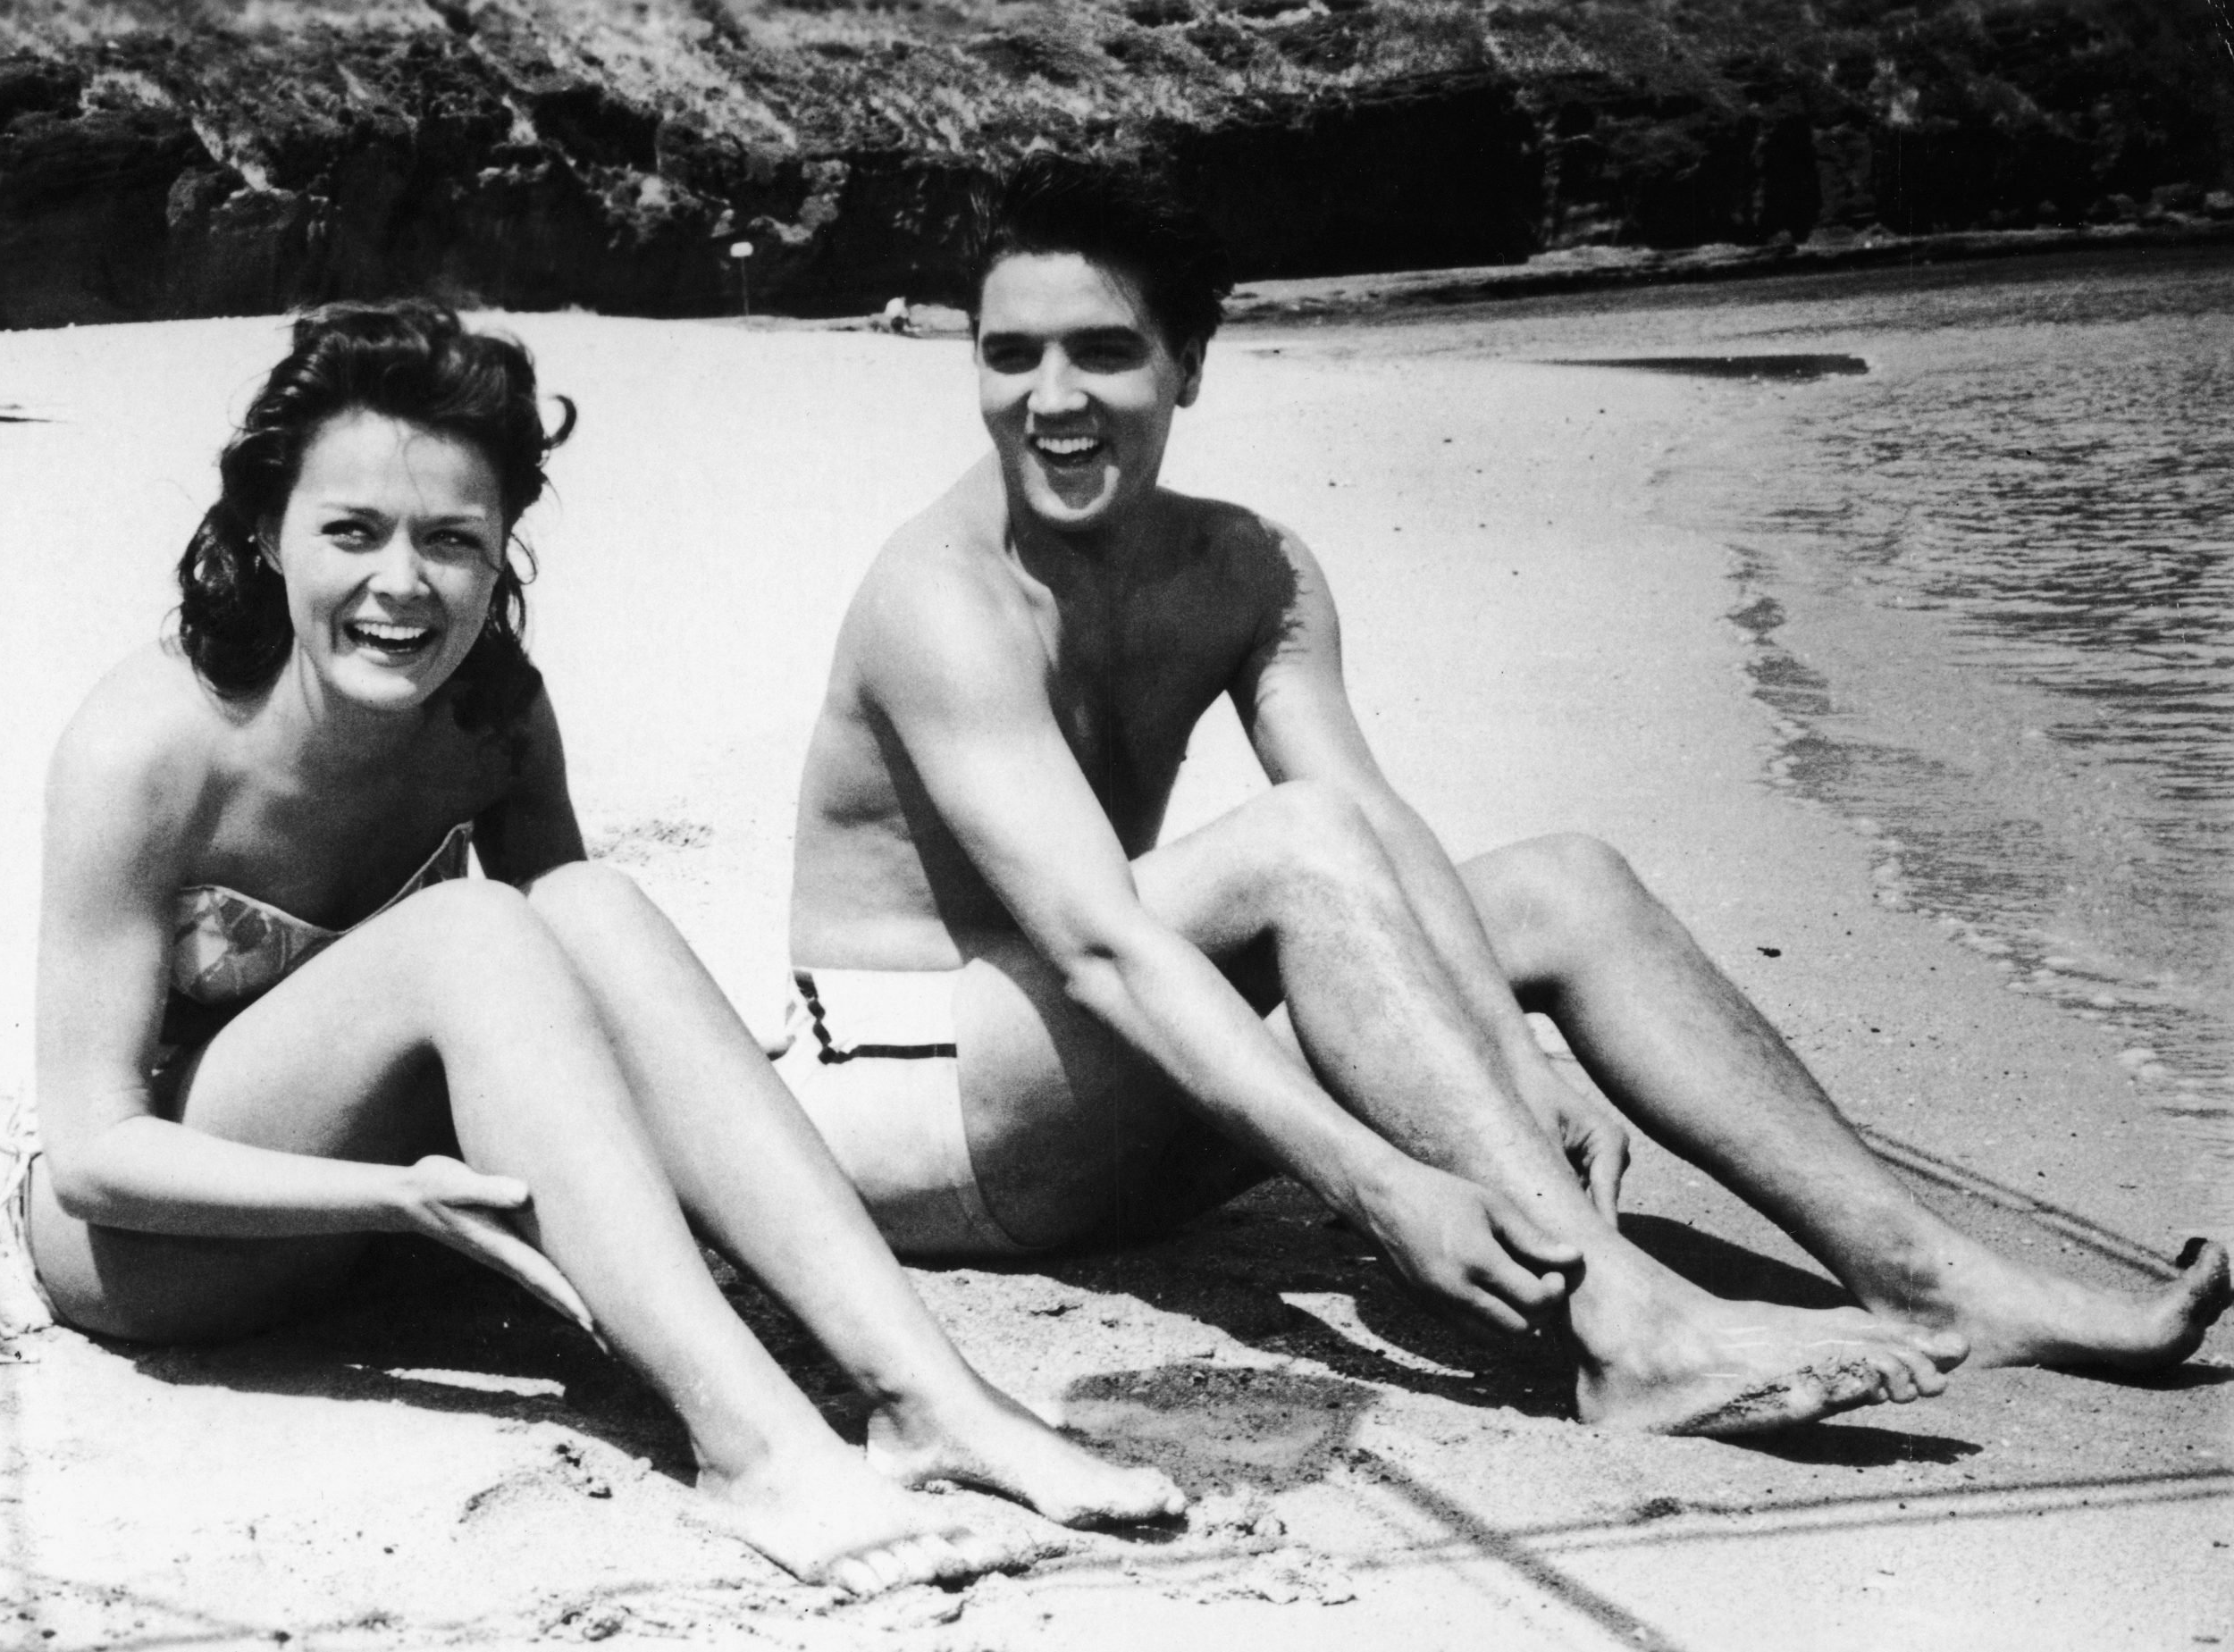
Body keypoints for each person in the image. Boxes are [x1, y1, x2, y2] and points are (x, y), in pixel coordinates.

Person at [779, 155, 2230, 1438]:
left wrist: (1508, 1052)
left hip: (1081, 1078)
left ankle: (1925, 1272)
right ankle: (1631, 1327)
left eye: (1104, 353)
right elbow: (1105, 942)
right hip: (916, 1114)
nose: (1051, 402)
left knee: (1561, 884)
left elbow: (1374, 821)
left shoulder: (1242, 570)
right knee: (1295, 853)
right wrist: (1378, 1185)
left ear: (1190, 364)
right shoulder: (944, 600)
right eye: (1009, 355)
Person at [0, 300, 1182, 1597]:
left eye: (452, 541)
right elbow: (97, 1153)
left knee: (584, 902)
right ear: (268, 535)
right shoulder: (149, 747)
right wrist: (397, 1201)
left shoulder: (491, 714)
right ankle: (757, 1446)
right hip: (156, 1248)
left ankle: (928, 1392)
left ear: (502, 558)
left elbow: (593, 983)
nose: (401, 584)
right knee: (471, 925)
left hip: (408, 1210)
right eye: (351, 532)